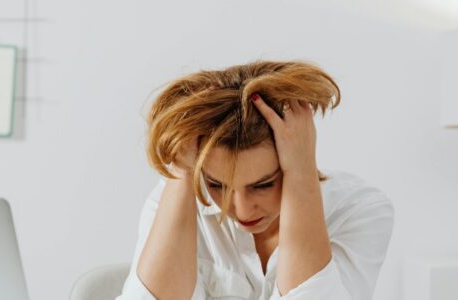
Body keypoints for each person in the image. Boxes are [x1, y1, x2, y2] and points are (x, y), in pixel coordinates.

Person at [117, 61, 394, 300]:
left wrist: (301, 172)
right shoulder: (176, 202)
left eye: (263, 185)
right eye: (217, 185)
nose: (242, 209)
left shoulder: (358, 210)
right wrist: (182, 168)